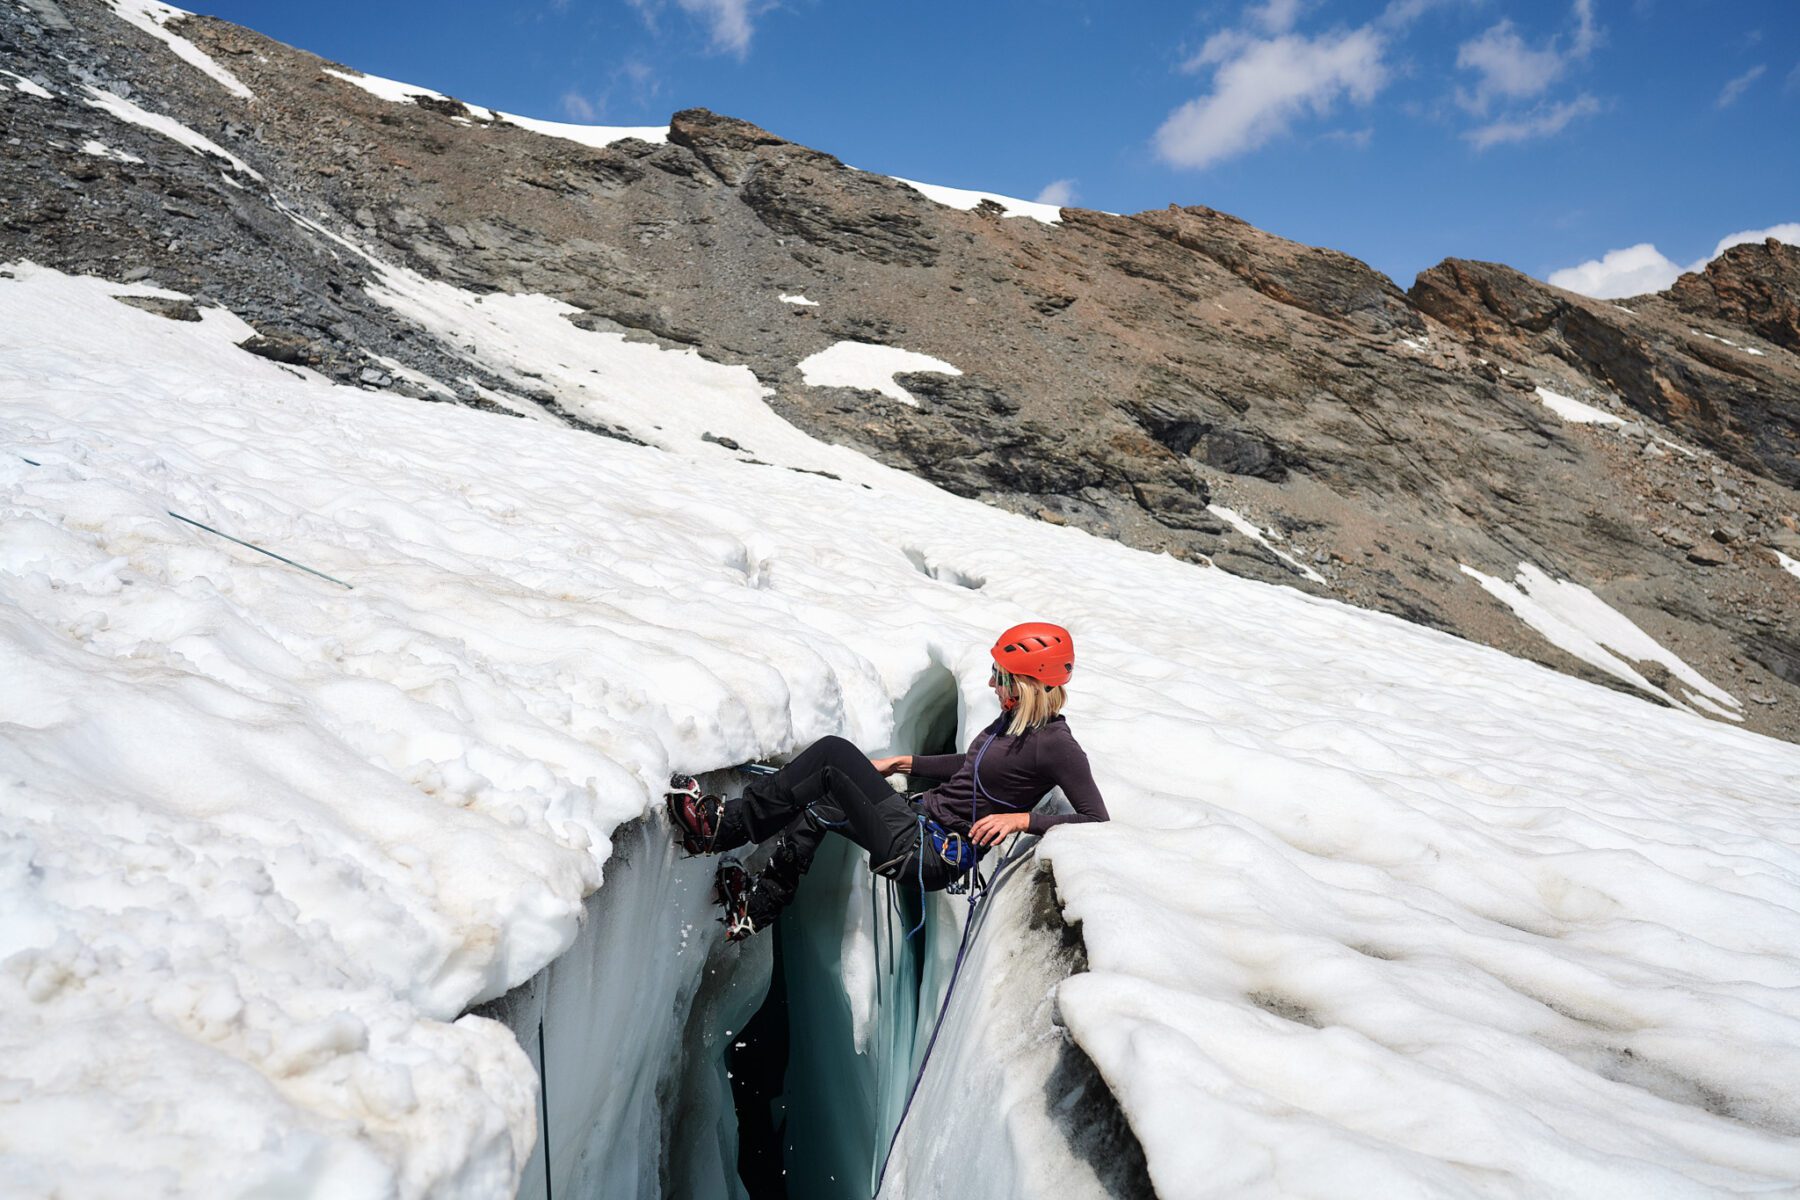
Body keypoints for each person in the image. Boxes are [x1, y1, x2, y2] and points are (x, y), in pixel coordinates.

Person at [667, 622, 1109, 941]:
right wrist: (903, 762)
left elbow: (1095, 819)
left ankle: (721, 828)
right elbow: (973, 764)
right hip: (918, 825)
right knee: (825, 805)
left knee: (832, 755)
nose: (992, 683)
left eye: (1002, 677)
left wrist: (1020, 821)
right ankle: (757, 905)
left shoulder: (1056, 745)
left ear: (1029, 684)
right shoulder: (1010, 722)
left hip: (930, 851)